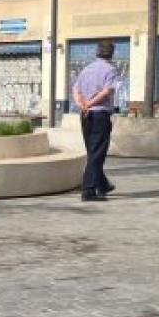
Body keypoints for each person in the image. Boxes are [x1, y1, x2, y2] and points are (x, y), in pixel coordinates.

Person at [72, 40, 120, 202]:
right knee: (97, 153)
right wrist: (91, 103)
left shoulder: (87, 69)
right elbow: (108, 91)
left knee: (93, 152)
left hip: (85, 115)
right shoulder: (110, 69)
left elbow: (76, 90)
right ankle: (88, 190)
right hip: (100, 115)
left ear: (97, 52)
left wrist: (82, 105)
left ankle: (103, 184)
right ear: (111, 53)